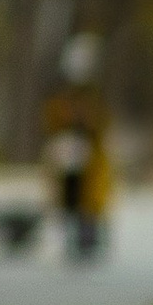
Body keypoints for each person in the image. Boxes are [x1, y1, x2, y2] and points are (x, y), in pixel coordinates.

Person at [40, 36, 113, 260]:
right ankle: (74, 239)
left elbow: (101, 123)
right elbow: (52, 122)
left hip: (90, 161)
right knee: (70, 201)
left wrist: (86, 120)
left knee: (89, 203)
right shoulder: (61, 99)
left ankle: (89, 238)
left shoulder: (95, 98)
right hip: (68, 159)